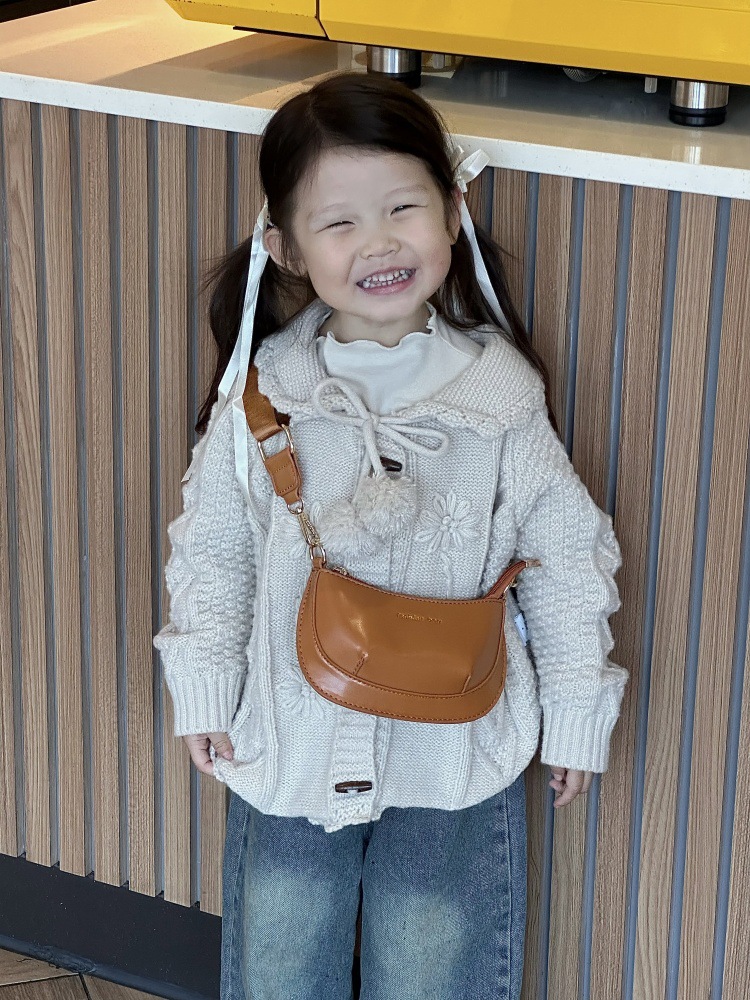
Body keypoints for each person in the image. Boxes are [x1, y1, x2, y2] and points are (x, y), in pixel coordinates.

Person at [154, 72, 627, 1000]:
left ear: (452, 212)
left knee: (432, 976)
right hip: (288, 746)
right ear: (286, 248)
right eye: (339, 222)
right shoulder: (267, 394)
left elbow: (568, 562)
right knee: (281, 974)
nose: (378, 242)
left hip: (457, 762)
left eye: (403, 208)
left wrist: (578, 715)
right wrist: (204, 686)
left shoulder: (501, 400)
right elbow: (213, 547)